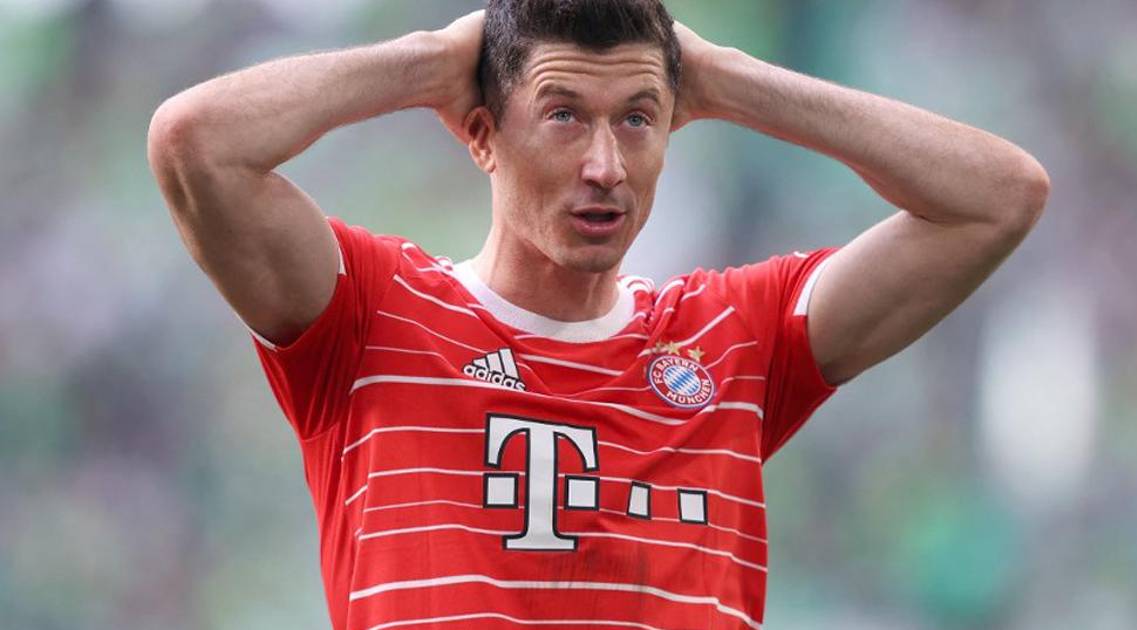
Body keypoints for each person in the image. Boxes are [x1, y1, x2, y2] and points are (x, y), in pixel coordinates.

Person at [147, 1, 1049, 628]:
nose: (606, 167)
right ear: (481, 134)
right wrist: (431, 60)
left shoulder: (732, 339)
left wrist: (727, 79)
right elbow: (197, 144)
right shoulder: (370, 316)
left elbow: (998, 198)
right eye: (565, 115)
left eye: (638, 119)